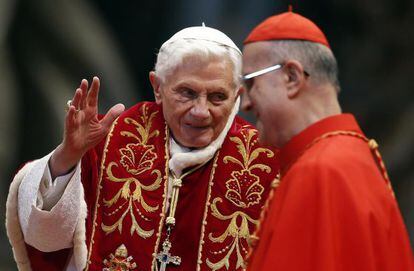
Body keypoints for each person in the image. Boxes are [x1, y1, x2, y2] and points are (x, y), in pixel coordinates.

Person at [6, 25, 279, 271]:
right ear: (157, 88)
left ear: (237, 97)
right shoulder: (111, 138)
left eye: (218, 97)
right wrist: (67, 156)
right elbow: (44, 237)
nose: (201, 111)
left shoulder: (265, 159)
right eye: (187, 93)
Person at [241, 9, 414, 271]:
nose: (246, 104)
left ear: (292, 77)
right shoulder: (350, 155)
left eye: (251, 84)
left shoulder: (319, 171)